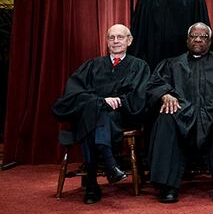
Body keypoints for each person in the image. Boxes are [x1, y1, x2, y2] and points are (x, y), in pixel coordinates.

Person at [146, 22, 213, 203]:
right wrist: (165, 94)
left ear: (210, 41)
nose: (197, 39)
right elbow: (154, 84)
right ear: (187, 40)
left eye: (203, 36)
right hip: (182, 112)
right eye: (194, 36)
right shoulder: (172, 64)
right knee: (166, 118)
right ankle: (168, 185)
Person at [52, 24, 150, 204]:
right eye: (111, 38)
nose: (115, 41)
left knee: (94, 118)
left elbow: (139, 96)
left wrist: (118, 101)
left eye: (120, 37)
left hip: (122, 116)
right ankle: (110, 165)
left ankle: (91, 183)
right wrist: (100, 102)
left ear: (129, 40)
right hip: (95, 115)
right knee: (95, 113)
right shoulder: (93, 65)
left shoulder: (139, 66)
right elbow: (73, 93)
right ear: (106, 41)